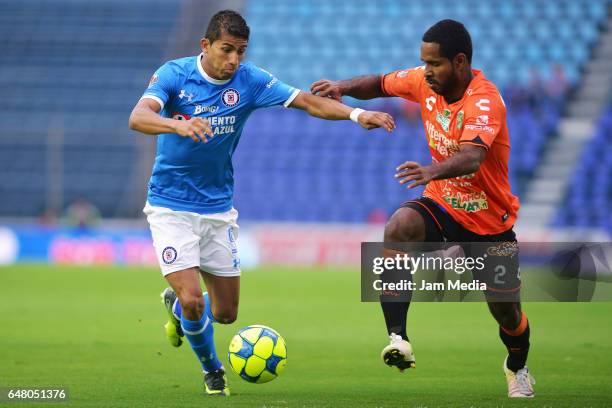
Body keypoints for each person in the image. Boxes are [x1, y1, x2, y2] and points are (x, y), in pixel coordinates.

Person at [128, 10, 395, 397]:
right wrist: (178, 124)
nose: (234, 60)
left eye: (240, 51)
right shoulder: (174, 74)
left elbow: (307, 102)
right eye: (226, 50)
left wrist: (358, 113)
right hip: (169, 205)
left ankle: (177, 310)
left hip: (217, 208)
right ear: (205, 46)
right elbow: (138, 116)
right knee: (192, 300)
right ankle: (213, 370)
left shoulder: (250, 80)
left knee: (224, 313)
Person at [311, 19, 534, 398]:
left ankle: (517, 367)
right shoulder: (422, 82)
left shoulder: (485, 100)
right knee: (399, 228)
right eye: (424, 63)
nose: (426, 71)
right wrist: (342, 87)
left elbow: (472, 158)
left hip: (488, 222)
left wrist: (431, 168)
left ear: (460, 62)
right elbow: (380, 83)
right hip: (443, 204)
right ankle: (398, 338)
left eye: (435, 64)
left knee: (507, 314)